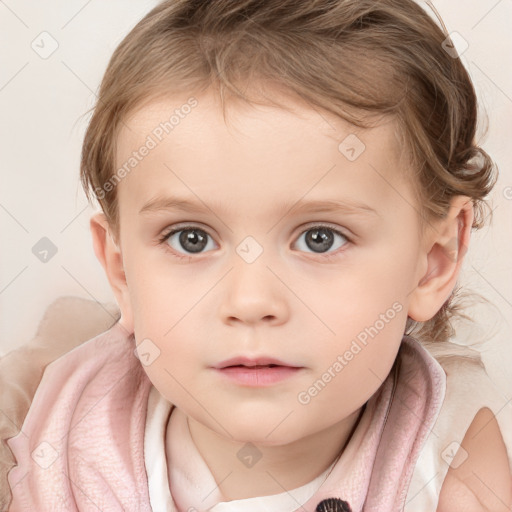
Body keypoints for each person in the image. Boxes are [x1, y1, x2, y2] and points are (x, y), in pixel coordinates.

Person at [3, 0, 512, 510]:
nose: (250, 302)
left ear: (433, 261)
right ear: (122, 271)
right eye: (191, 238)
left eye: (320, 238)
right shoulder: (55, 442)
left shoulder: (445, 464)